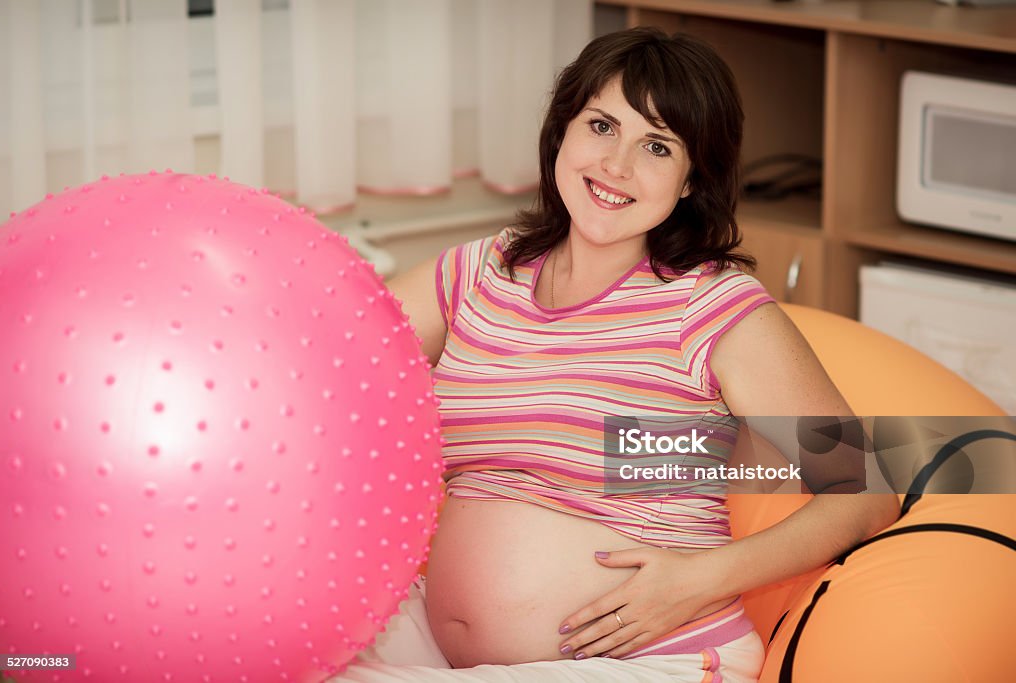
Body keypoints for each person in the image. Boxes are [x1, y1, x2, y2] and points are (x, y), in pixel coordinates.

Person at [332, 27, 899, 683]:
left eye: (657, 146)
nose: (617, 164)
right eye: (602, 126)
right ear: (562, 133)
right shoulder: (480, 272)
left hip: (649, 656)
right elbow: (331, 358)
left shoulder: (711, 306)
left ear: (692, 180)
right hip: (447, 642)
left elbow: (867, 490)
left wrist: (699, 577)